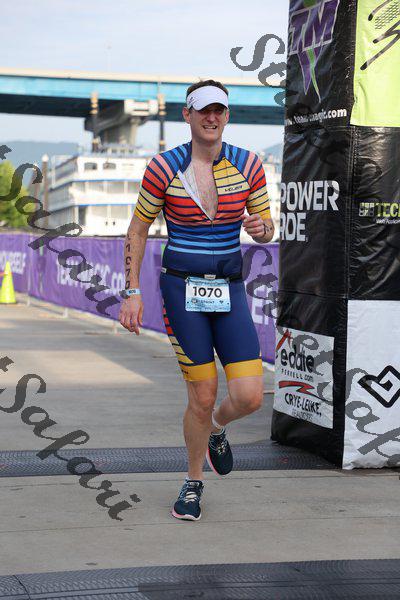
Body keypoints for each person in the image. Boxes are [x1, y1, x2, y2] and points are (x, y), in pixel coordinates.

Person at [119, 79, 274, 521]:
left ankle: (217, 431)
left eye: (218, 110)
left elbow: (267, 227)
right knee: (202, 396)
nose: (211, 118)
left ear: (227, 115)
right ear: (186, 115)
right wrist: (132, 292)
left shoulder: (248, 164)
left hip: (229, 289)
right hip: (181, 291)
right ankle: (192, 481)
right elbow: (137, 230)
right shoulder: (164, 166)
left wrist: (262, 229)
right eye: (203, 110)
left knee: (250, 397)